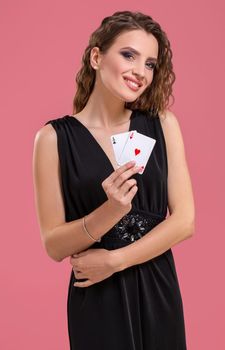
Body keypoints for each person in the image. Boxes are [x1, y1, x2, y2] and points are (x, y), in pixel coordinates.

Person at [33, 10, 195, 350]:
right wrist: (111, 210)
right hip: (96, 294)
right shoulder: (52, 139)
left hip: (157, 288)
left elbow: (184, 221)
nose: (140, 72)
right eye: (129, 55)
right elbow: (54, 245)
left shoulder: (162, 124)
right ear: (96, 56)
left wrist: (115, 261)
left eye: (150, 64)